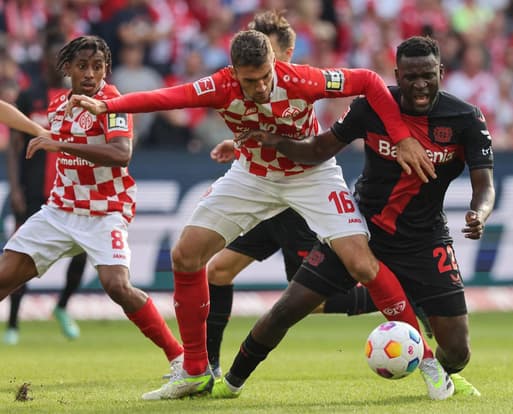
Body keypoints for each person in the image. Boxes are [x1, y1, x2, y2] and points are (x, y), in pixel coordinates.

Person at [67, 29, 446, 400]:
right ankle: (195, 370)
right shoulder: (220, 86)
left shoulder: (302, 79)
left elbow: (368, 80)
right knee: (186, 254)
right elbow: (168, 97)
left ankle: (428, 362)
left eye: (266, 76)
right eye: (251, 81)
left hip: (311, 177)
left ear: (274, 64)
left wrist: (402, 138)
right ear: (234, 72)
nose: (261, 86)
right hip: (253, 176)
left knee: (362, 263)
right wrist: (109, 106)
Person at [217, 35, 494, 399]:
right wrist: (277, 141)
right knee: (287, 309)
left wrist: (479, 212)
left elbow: (484, 184)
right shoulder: (372, 106)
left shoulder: (466, 119)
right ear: (397, 74)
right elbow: (320, 149)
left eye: (428, 75)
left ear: (440, 72)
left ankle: (440, 371)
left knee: (458, 351)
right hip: (359, 231)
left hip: (425, 240)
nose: (419, 84)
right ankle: (230, 383)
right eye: (410, 76)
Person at [204, 9, 379, 379]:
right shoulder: (253, 89)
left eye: (268, 54)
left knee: (308, 301)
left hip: (296, 201)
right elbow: (260, 132)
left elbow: (294, 139)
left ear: (285, 55)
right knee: (217, 270)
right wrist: (239, 149)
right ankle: (209, 365)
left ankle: (392, 297)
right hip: (264, 198)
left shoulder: (299, 86)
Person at [0, 35, 185, 374]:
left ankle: (181, 359)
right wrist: (50, 136)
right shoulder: (58, 106)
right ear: (67, 68)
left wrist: (61, 146)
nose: (90, 74)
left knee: (117, 286)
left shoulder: (113, 103)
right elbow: (13, 115)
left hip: (105, 211)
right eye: (82, 66)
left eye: (97, 67)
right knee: (4, 278)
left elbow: (121, 154)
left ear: (106, 70)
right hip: (60, 210)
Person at [3, 33, 87, 346]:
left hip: (70, 192)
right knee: (21, 258)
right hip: (34, 190)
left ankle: (62, 306)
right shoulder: (31, 95)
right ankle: (13, 324)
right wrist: (15, 187)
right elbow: (14, 145)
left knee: (83, 253)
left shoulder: (80, 99)